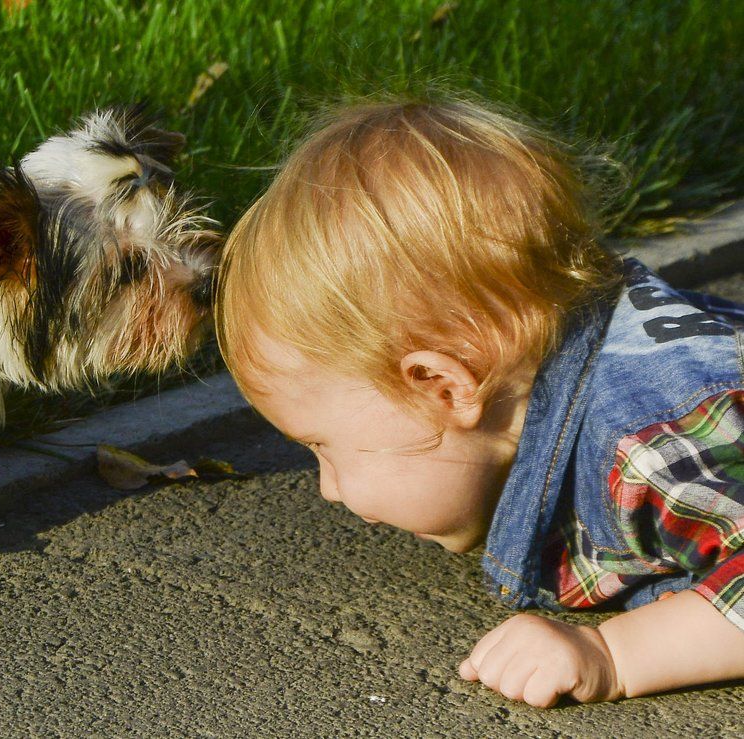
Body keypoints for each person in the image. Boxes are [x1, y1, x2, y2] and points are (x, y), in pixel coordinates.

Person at [214, 96, 744, 707]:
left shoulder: (651, 443)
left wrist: (615, 654)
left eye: (322, 447)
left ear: (444, 386)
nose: (328, 488)